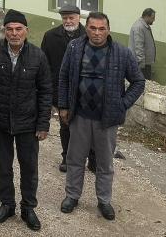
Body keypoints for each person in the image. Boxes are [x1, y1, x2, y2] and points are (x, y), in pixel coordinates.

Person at [58, 12, 145, 221]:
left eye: (101, 28)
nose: (97, 33)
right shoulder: (75, 48)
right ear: (86, 29)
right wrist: (63, 105)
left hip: (106, 120)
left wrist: (121, 105)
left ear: (108, 30)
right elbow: (63, 76)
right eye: (93, 28)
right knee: (75, 159)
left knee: (105, 163)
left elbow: (138, 82)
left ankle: (104, 200)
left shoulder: (121, 53)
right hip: (79, 115)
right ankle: (72, 196)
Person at [0, 10, 52, 231]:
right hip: (0, 121)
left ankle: (28, 207)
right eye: (9, 29)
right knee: (3, 165)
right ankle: (7, 204)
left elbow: (46, 91)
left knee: (29, 167)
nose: (14, 33)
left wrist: (43, 124)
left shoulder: (38, 56)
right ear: (4, 31)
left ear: (26, 31)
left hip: (28, 122)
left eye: (19, 29)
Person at [40, 3, 88, 172]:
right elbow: (44, 64)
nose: (68, 21)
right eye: (65, 18)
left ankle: (91, 157)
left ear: (79, 18)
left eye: (71, 17)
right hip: (61, 90)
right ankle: (67, 157)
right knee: (65, 125)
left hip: (85, 91)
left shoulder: (88, 35)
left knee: (87, 127)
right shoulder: (51, 36)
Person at [129, 8, 157, 80]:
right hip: (141, 64)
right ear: (147, 16)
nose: (154, 20)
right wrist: (141, 64)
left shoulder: (144, 26)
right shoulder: (139, 27)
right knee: (142, 83)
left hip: (145, 63)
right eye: (152, 18)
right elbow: (139, 46)